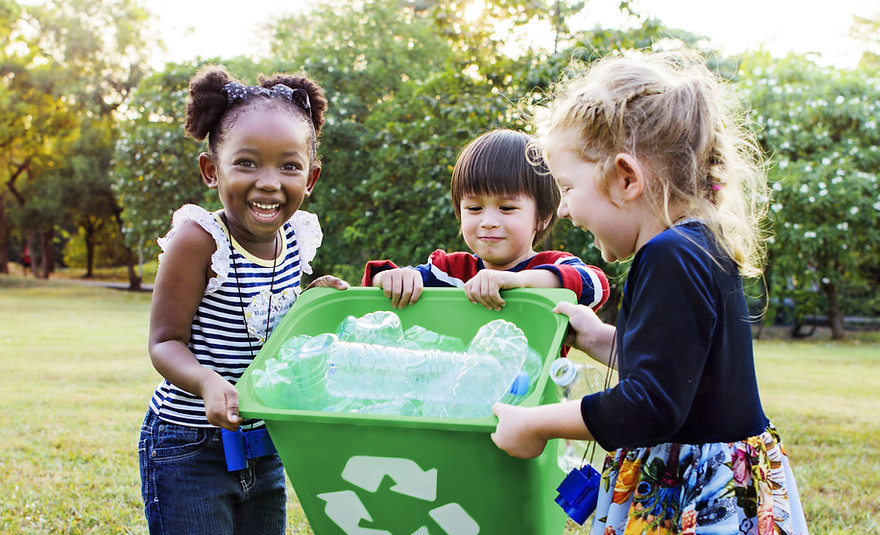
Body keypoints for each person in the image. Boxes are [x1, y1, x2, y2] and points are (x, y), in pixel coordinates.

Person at [491, 52, 808, 535]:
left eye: (568, 188)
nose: (568, 211)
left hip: (694, 495)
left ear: (626, 179)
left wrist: (536, 422)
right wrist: (600, 338)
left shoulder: (668, 255)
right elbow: (680, 370)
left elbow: (650, 405)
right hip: (722, 478)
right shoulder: (698, 242)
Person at [139, 65, 348, 534]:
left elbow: (270, 328)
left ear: (310, 177)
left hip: (264, 443)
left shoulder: (297, 237)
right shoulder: (198, 240)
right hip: (189, 448)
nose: (269, 181)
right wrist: (207, 382)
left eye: (289, 166)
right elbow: (164, 341)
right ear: (212, 170)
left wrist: (312, 305)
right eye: (247, 162)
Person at [362, 128, 610, 313]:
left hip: (537, 384)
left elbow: (597, 285)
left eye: (506, 207)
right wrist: (391, 279)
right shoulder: (450, 274)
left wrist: (519, 281)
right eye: (474, 208)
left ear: (543, 217)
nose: (488, 221)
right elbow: (376, 283)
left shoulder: (551, 266)